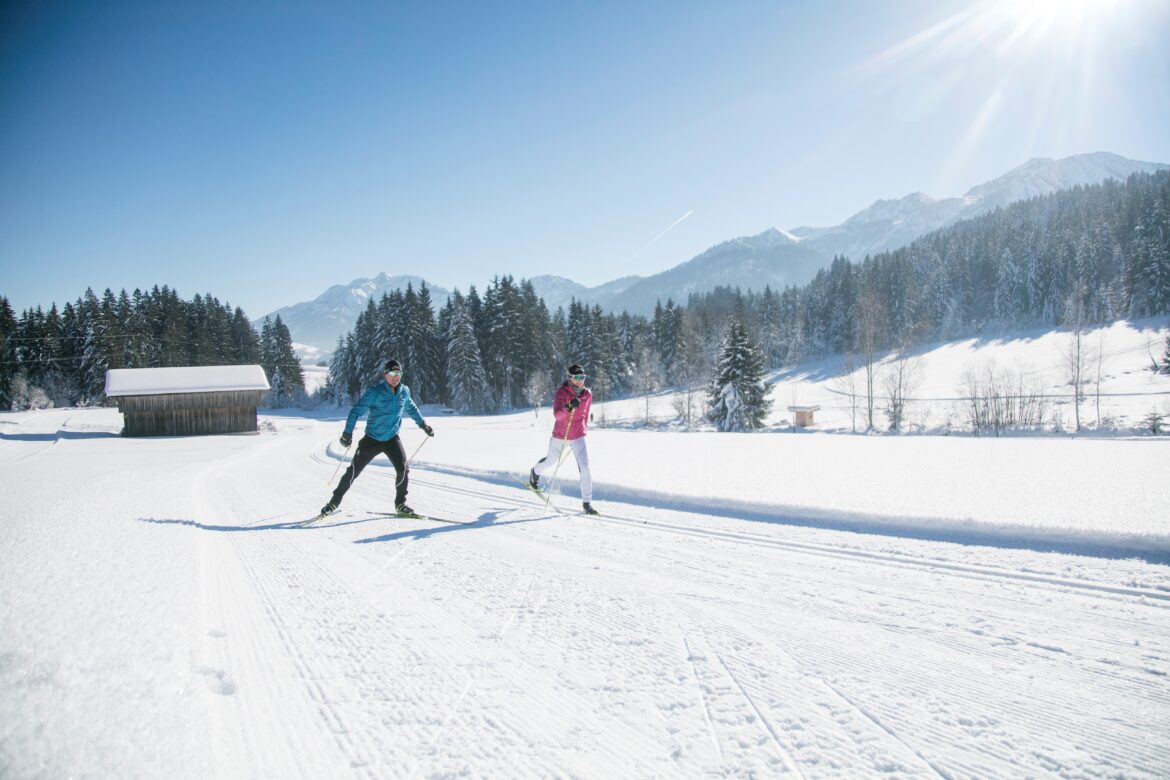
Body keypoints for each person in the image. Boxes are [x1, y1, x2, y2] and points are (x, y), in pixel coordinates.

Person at [320, 359, 434, 517]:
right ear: (385, 374)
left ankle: (400, 504)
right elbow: (355, 412)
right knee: (353, 472)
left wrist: (423, 425)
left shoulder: (404, 391)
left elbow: (411, 408)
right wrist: (347, 433)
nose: (396, 377)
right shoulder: (375, 392)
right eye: (393, 373)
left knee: (403, 470)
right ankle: (333, 503)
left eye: (399, 373)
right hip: (371, 440)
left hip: (392, 439)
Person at [528, 363, 599, 515]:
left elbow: (585, 415)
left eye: (583, 377)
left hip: (578, 435)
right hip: (561, 434)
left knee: (585, 467)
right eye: (577, 377)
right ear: (570, 378)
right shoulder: (562, 392)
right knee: (550, 461)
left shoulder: (587, 394)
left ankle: (587, 504)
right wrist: (568, 407)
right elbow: (557, 415)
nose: (581, 380)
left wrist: (583, 428)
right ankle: (534, 473)